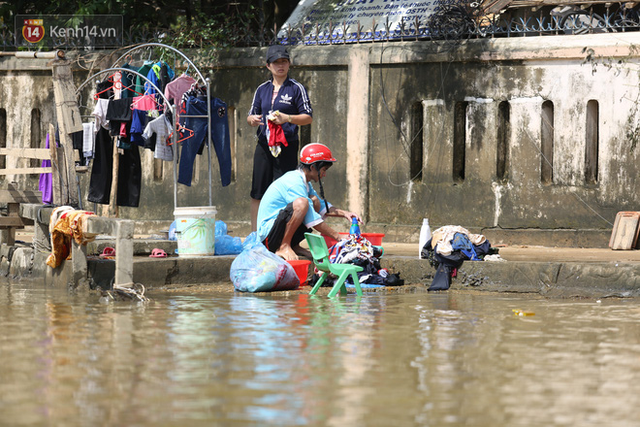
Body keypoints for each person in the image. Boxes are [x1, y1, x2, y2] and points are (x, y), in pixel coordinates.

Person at [247, 44, 313, 231]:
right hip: (264, 145)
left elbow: (308, 117)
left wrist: (287, 118)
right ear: (268, 66)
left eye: (284, 61)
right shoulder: (262, 89)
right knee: (258, 192)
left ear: (289, 64)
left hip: (287, 146)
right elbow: (251, 115)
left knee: (284, 192)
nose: (280, 66)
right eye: (276, 62)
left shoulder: (296, 88)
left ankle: (280, 236)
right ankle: (255, 235)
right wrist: (252, 120)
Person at [256, 143, 360, 261]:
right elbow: (312, 219)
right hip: (268, 238)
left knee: (314, 201)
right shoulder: (294, 182)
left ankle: (293, 245)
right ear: (313, 167)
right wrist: (339, 237)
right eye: (324, 170)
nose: (324, 174)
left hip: (276, 230)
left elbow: (321, 207)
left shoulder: (305, 182)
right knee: (302, 203)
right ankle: (283, 246)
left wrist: (345, 213)